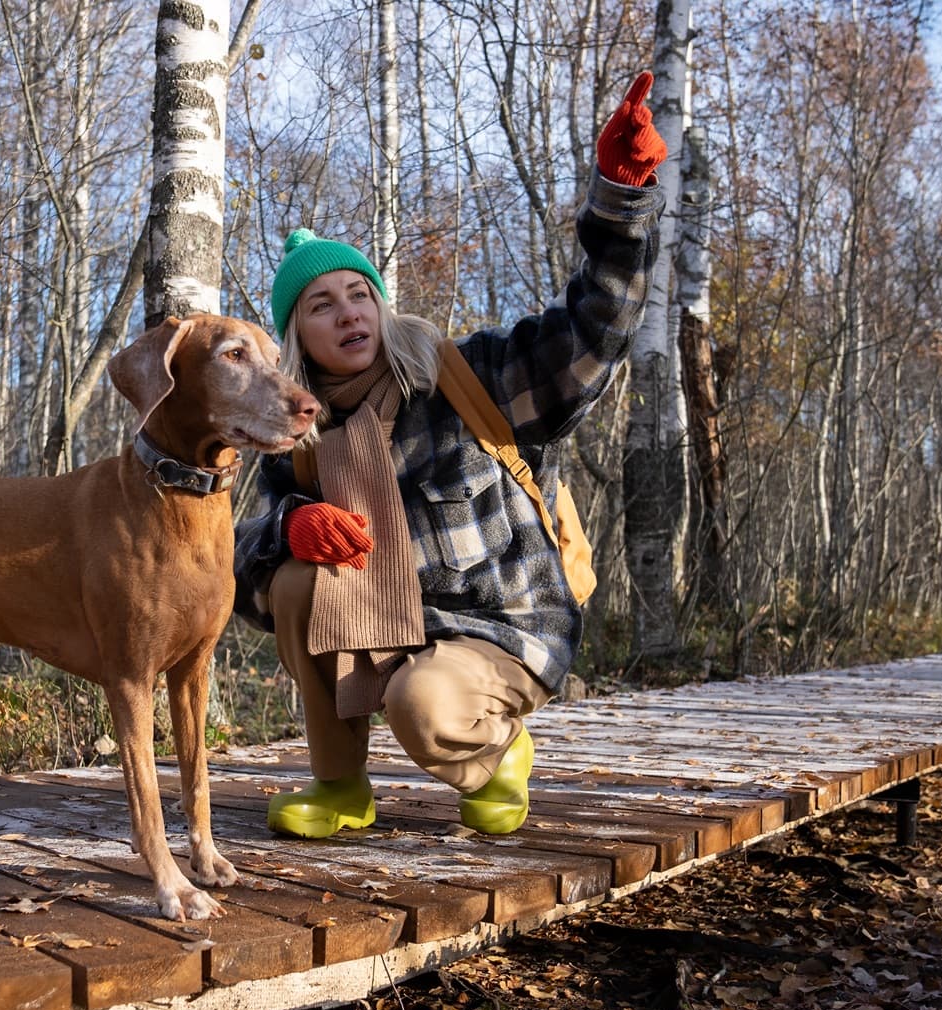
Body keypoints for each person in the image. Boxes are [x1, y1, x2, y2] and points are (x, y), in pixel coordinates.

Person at [233, 71, 667, 839]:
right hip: (393, 629)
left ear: (380, 303)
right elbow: (236, 568)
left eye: (357, 293)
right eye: (320, 304)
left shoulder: (465, 376)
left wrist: (621, 202)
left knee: (420, 707)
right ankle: (340, 786)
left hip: (504, 626)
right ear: (297, 335)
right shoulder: (299, 440)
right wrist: (286, 534)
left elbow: (590, 338)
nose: (347, 313)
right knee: (297, 580)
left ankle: (500, 749)